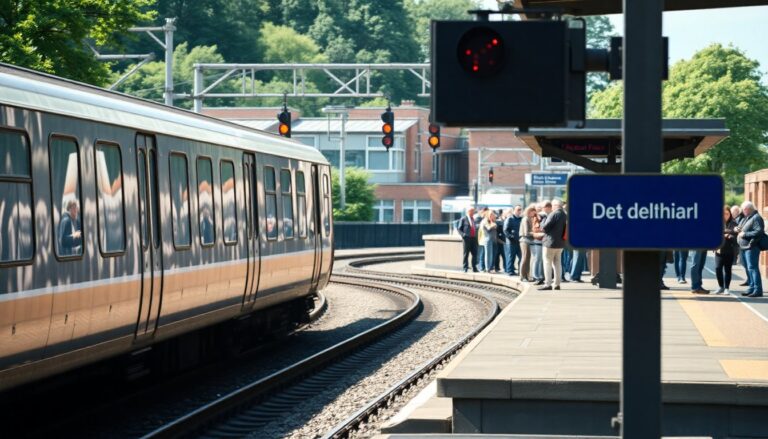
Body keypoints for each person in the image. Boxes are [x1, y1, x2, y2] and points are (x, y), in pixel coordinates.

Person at [737, 201, 764, 297]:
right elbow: (744, 228)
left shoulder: (756, 217)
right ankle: (752, 287)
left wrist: (745, 234)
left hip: (751, 247)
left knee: (753, 268)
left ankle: (758, 289)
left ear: (748, 209)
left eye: (743, 209)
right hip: (745, 247)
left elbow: (759, 231)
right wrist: (739, 229)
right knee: (749, 268)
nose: (742, 211)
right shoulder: (747, 217)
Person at [539, 198, 567, 291]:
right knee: (558, 264)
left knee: (547, 263)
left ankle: (548, 284)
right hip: (560, 243)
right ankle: (557, 284)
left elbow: (545, 228)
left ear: (555, 206)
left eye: (552, 206)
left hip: (550, 243)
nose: (551, 208)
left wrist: (543, 220)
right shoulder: (565, 214)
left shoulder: (553, 214)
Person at [714, 205, 739, 295]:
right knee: (717, 268)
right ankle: (721, 286)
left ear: (730, 214)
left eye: (727, 213)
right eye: (723, 214)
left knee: (727, 270)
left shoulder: (734, 223)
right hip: (719, 250)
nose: (725, 215)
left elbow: (736, 236)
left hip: (730, 250)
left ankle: (727, 288)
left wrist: (728, 235)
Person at [732, 205, 750, 287]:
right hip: (740, 243)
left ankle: (750, 280)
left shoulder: (741, 218)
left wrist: (737, 229)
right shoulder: (740, 218)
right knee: (745, 264)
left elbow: (741, 228)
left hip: (743, 244)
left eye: (734, 212)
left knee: (748, 265)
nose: (733, 213)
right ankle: (749, 279)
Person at [518, 205, 537, 282]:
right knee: (525, 258)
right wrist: (535, 233)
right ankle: (522, 276)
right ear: (530, 211)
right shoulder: (526, 219)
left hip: (528, 241)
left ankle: (527, 275)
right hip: (525, 240)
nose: (535, 213)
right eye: (533, 212)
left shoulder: (529, 218)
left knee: (528, 258)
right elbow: (526, 232)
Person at [457, 207, 479, 272]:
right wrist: (463, 235)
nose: (473, 213)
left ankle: (474, 267)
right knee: (466, 254)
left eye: (473, 211)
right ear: (468, 211)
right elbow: (459, 229)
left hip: (473, 238)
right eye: (472, 211)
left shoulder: (473, 219)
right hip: (466, 239)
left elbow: (474, 228)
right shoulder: (463, 219)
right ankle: (465, 267)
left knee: (475, 253)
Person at [531, 201, 547, 285]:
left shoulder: (544, 217)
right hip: (537, 241)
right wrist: (543, 230)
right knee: (537, 259)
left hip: (542, 241)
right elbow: (535, 229)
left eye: (541, 208)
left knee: (540, 260)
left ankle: (540, 276)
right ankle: (536, 276)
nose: (540, 210)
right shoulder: (535, 218)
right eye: (539, 208)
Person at [503, 205, 523, 275]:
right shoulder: (510, 219)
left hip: (519, 241)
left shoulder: (521, 219)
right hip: (511, 242)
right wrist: (511, 237)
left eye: (520, 209)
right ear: (514, 210)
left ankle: (521, 271)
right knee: (511, 257)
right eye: (518, 209)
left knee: (521, 257)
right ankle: (510, 271)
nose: (519, 211)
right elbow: (505, 230)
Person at [474, 207, 487, 272]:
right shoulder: (478, 218)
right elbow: (476, 228)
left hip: (483, 239)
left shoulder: (484, 219)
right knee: (480, 253)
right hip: (479, 239)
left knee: (483, 253)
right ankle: (479, 266)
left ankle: (482, 266)